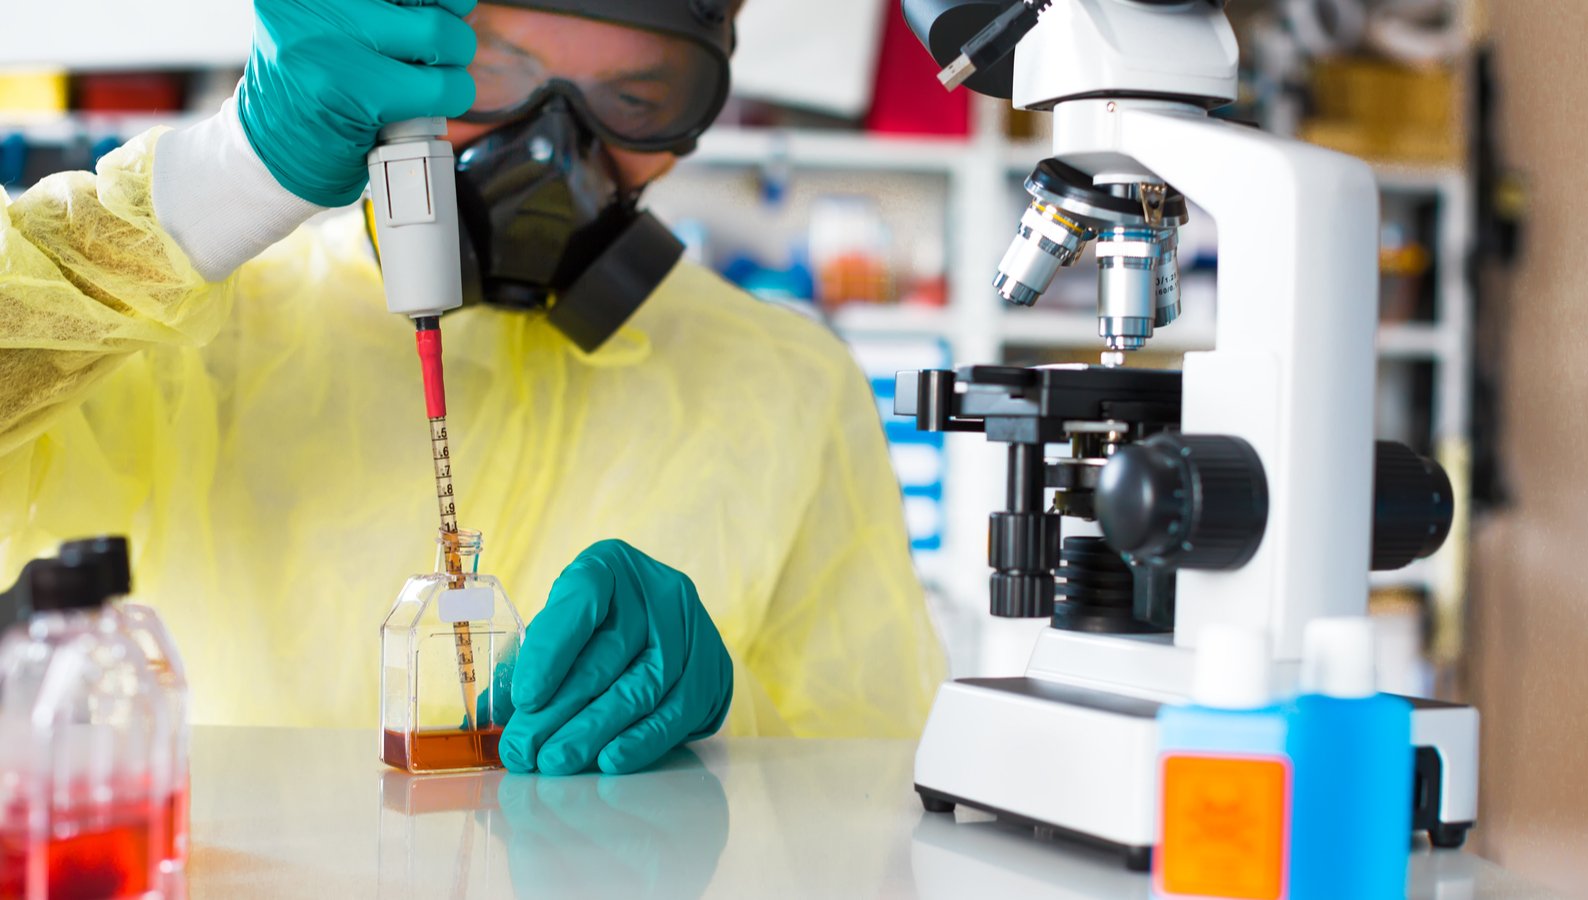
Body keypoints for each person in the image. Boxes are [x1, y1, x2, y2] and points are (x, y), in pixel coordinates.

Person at [0, 0, 945, 775]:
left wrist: (711, 740)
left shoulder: (789, 383)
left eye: (638, 97)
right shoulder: (192, 331)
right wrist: (225, 183)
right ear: (394, 48)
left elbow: (874, 799)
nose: (550, 151)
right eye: (491, 76)